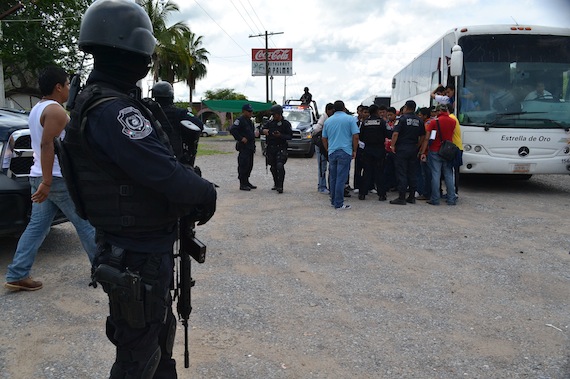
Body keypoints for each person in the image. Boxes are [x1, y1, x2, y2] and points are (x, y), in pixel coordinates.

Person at [62, 1, 217, 377]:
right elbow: (165, 174)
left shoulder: (97, 102)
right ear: (132, 52)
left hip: (130, 247)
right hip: (138, 253)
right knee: (139, 355)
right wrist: (205, 193)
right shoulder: (114, 111)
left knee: (152, 340)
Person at [4, 66, 96, 292]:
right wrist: (47, 181)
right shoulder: (55, 110)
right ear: (58, 87)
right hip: (55, 179)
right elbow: (48, 145)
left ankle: (17, 274)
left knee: (36, 227)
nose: (68, 89)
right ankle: (103, 269)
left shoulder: (38, 108)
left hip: (41, 176)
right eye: (66, 84)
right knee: (86, 224)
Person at [152, 80, 203, 166]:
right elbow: (199, 125)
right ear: (171, 96)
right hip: (174, 157)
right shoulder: (179, 113)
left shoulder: (146, 111)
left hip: (151, 156)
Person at [322, 100, 359, 210]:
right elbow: (355, 136)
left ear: (333, 109)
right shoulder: (350, 119)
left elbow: (324, 138)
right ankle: (339, 203)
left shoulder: (328, 121)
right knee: (341, 178)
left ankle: (333, 200)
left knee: (333, 177)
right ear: (344, 108)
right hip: (345, 151)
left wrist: (328, 149)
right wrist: (354, 150)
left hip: (332, 151)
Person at [419, 104, 457, 205]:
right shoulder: (453, 121)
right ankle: (451, 199)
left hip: (435, 150)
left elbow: (427, 138)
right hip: (448, 151)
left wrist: (423, 152)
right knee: (449, 174)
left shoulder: (434, 122)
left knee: (436, 174)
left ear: (439, 111)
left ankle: (435, 199)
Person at [389, 100, 425, 205]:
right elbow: (423, 135)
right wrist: (418, 145)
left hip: (402, 149)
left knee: (401, 172)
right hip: (413, 148)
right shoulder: (419, 120)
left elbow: (395, 133)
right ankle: (412, 197)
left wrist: (392, 145)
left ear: (406, 107)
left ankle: (401, 197)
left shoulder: (402, 119)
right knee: (412, 173)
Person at [357, 104, 387, 201]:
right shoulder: (381, 122)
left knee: (367, 172)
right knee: (379, 172)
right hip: (379, 149)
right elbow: (387, 134)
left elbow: (360, 136)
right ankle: (382, 195)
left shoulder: (365, 122)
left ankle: (362, 194)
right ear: (377, 111)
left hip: (368, 149)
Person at [261, 104, 292, 193]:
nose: (273, 116)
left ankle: (280, 186)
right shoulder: (270, 123)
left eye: (274, 114)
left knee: (280, 165)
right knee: (273, 167)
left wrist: (280, 135)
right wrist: (263, 131)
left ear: (279, 114)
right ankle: (276, 183)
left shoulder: (285, 124)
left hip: (281, 147)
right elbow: (260, 130)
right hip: (271, 148)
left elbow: (290, 136)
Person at [230, 104, 257, 190]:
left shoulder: (249, 121)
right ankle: (242, 183)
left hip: (250, 147)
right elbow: (233, 129)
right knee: (243, 165)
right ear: (244, 111)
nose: (250, 113)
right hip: (244, 147)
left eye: (251, 111)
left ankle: (247, 181)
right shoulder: (240, 120)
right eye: (249, 111)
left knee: (249, 165)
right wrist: (240, 138)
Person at [313, 102, 334, 194]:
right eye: (332, 111)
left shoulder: (328, 118)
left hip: (326, 144)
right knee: (322, 166)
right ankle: (321, 186)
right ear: (328, 110)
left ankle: (324, 185)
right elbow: (316, 129)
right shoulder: (324, 118)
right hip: (321, 145)